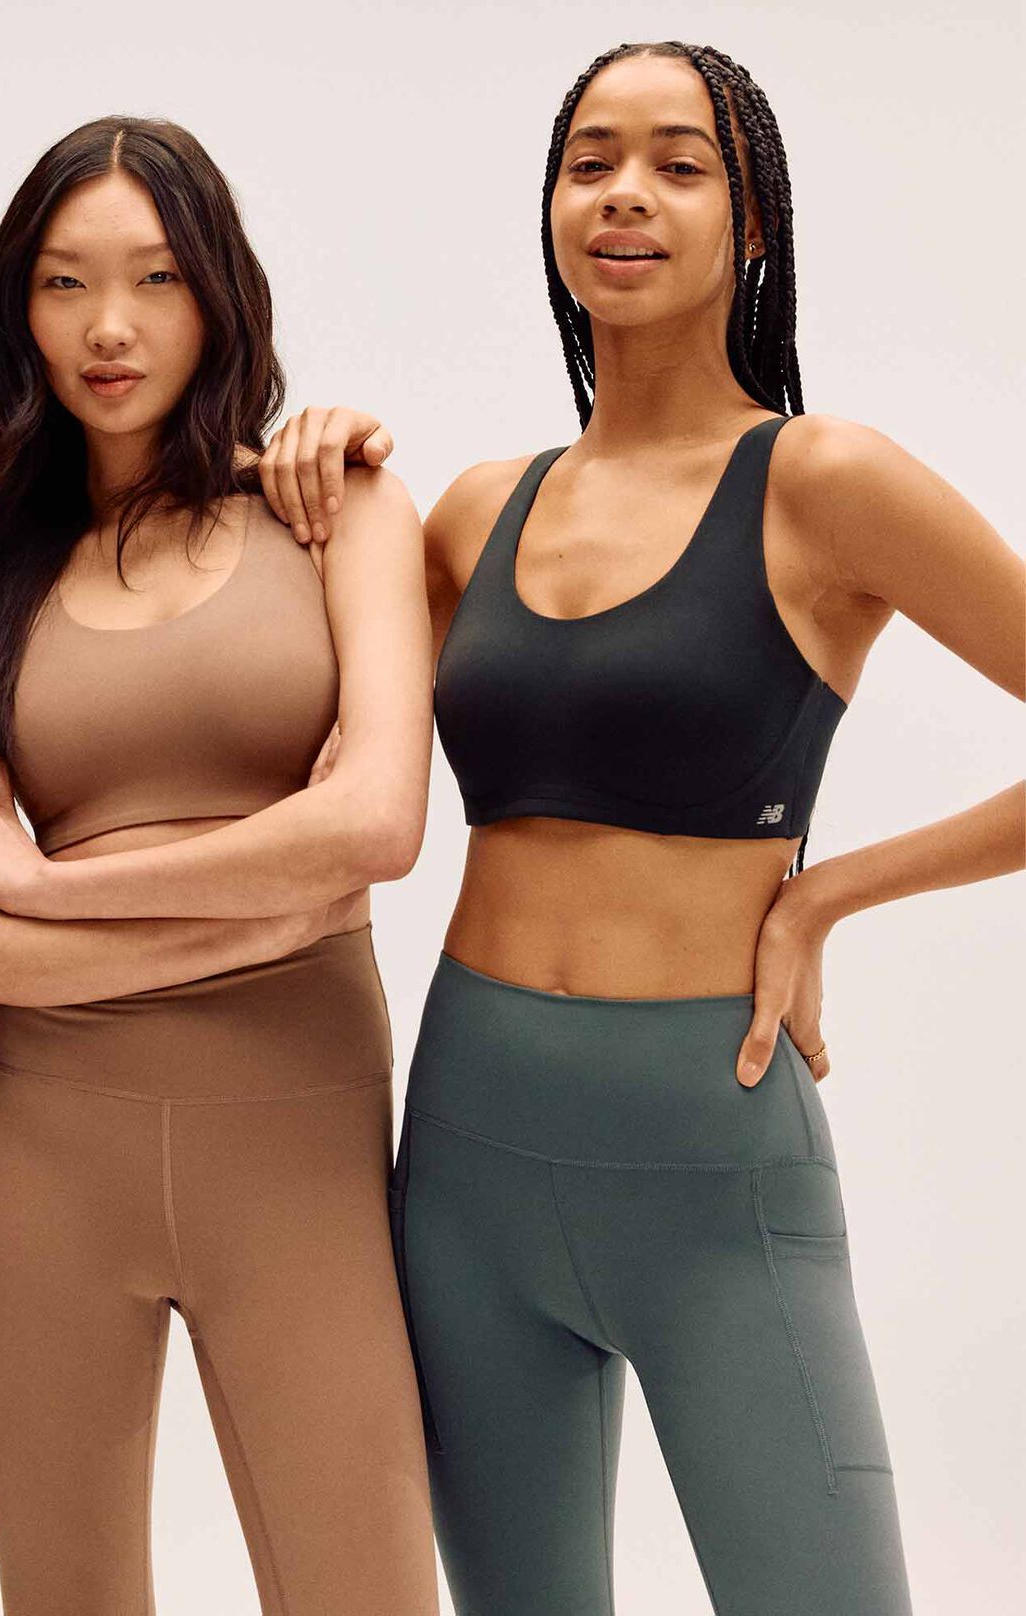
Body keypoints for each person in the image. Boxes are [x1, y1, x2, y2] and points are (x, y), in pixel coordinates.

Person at [264, 39, 1024, 1616]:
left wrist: (827, 901)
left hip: (711, 1160)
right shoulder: (476, 508)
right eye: (591, 160)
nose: (626, 194)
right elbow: (308, 760)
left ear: (754, 227)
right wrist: (314, 470)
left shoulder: (823, 481)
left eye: (680, 164)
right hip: (465, 1153)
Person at [0, 116, 440, 1615]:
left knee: (367, 1588)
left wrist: (55, 892)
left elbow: (378, 828)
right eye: (65, 285)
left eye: (155, 279)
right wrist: (274, 897)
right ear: (18, 315)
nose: (110, 328)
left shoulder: (337, 509)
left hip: (302, 1144)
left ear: (219, 297)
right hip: (46, 1161)